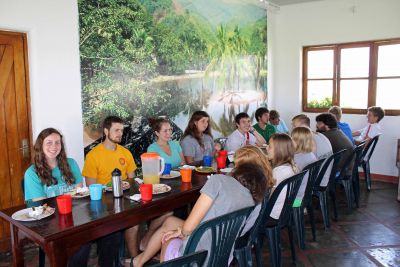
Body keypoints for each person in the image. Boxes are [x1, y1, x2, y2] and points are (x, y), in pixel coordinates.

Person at [127, 162, 268, 267]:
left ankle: (142, 260)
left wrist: (181, 233)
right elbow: (241, 232)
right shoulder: (254, 202)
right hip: (221, 256)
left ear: (238, 173)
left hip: (195, 258)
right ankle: (140, 260)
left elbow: (188, 228)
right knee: (170, 222)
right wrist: (181, 231)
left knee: (167, 236)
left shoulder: (218, 181)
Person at [82, 116, 170, 264]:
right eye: (116, 130)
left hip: (126, 199)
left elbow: (132, 180)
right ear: (106, 131)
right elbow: (92, 188)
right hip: (105, 203)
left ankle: (136, 259)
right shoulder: (93, 155)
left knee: (164, 211)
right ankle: (134, 258)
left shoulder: (125, 152)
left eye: (122, 130)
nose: (120, 133)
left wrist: (129, 185)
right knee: (132, 223)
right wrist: (111, 187)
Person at [24, 128, 90, 266]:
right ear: (40, 146)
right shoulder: (31, 173)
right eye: (49, 142)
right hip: (49, 225)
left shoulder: (71, 163)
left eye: (57, 142)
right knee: (80, 242)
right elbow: (40, 208)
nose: (54, 147)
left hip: (73, 217)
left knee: (105, 232)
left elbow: (79, 194)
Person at [291, 114, 333, 186]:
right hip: (326, 175)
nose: (292, 129)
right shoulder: (321, 135)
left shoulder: (308, 140)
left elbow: (303, 161)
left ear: (302, 127)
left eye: (294, 126)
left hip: (318, 180)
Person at [267, 133, 298, 226]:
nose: (266, 148)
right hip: (285, 212)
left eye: (270, 146)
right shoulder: (292, 166)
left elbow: (267, 198)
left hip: (273, 215)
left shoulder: (277, 172)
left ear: (279, 151)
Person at [291, 127, 317, 205]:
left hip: (296, 200)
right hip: (306, 195)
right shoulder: (311, 154)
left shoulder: (296, 159)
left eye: (291, 138)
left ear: (297, 141)